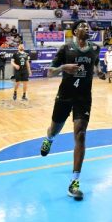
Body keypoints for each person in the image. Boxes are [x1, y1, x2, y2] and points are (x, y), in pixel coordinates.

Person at [39, 20, 100, 201]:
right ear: (74, 31)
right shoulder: (65, 48)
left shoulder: (94, 49)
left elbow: (96, 63)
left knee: (80, 134)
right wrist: (63, 68)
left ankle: (74, 182)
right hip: (65, 95)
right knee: (55, 128)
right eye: (82, 26)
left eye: (88, 26)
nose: (86, 28)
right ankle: (49, 139)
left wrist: (100, 71)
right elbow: (49, 72)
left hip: (83, 97)